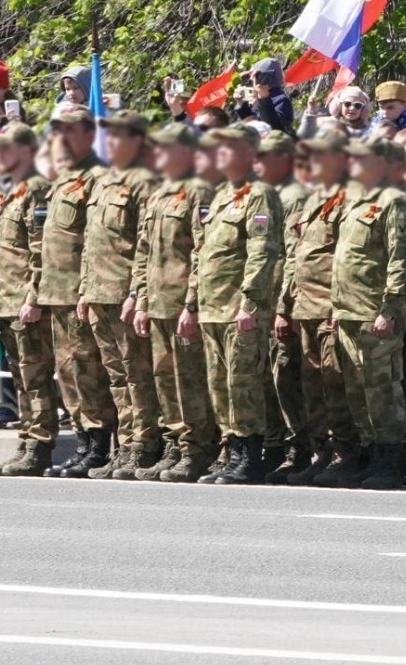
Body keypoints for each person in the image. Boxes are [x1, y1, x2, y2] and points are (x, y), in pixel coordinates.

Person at [189, 125, 285, 484]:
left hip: (238, 307)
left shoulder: (259, 194)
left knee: (243, 383)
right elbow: (203, 253)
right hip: (212, 306)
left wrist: (250, 302)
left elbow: (262, 251)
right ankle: (233, 450)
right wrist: (193, 303)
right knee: (220, 384)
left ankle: (250, 456)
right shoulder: (220, 195)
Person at [130, 123, 219, 482]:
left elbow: (202, 251)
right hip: (157, 301)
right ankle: (175, 443)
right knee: (165, 378)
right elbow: (143, 251)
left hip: (182, 299)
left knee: (190, 379)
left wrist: (192, 303)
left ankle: (197, 448)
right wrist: (140, 299)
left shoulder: (199, 190)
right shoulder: (159, 193)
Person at [327, 137, 406, 490]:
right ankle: (367, 452)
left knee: (382, 389)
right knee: (357, 389)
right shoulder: (356, 200)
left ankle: (390, 456)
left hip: (374, 311)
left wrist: (390, 308)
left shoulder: (394, 200)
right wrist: (336, 305)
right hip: (349, 310)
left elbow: (401, 258)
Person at [78, 110, 162, 480]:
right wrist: (84, 289)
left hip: (123, 293)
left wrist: (136, 293)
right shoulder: (102, 181)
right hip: (99, 292)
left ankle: (144, 444)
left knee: (136, 374)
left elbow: (145, 245)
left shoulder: (144, 182)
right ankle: (125, 444)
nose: (109, 142)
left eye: (117, 136)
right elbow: (90, 242)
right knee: (116, 375)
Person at [34, 104, 116, 477]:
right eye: (59, 131)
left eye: (70, 130)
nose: (62, 137)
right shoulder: (63, 178)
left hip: (78, 289)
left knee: (87, 368)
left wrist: (86, 287)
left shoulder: (98, 177)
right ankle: (82, 439)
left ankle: (99, 444)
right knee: (67, 371)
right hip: (56, 291)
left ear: (89, 134)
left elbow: (95, 241)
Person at [279, 130, 359, 486]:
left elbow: (347, 259)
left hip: (329, 306)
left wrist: (338, 304)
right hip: (305, 306)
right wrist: (284, 306)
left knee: (335, 383)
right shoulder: (314, 199)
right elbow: (296, 257)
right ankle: (322, 451)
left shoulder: (349, 199)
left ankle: (346, 453)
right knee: (313, 385)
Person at [0, 120, 58, 477]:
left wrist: (34, 296)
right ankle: (27, 438)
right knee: (20, 377)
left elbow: (39, 248)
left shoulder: (36, 188)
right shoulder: (10, 190)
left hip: (25, 300)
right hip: (8, 299)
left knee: (35, 375)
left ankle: (40, 445)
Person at [253, 131, 309, 480]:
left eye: (265, 157)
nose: (256, 163)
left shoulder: (294, 197)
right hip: (261, 301)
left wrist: (285, 306)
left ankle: (298, 447)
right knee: (264, 376)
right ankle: (273, 444)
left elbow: (293, 256)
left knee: (286, 376)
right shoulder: (263, 195)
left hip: (279, 301)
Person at [232, 58, 294, 134]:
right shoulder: (257, 96)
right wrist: (242, 105)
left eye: (256, 76)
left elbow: (274, 129)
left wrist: (262, 102)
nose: (252, 79)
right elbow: (252, 125)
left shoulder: (281, 99)